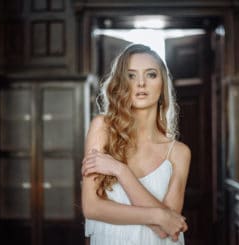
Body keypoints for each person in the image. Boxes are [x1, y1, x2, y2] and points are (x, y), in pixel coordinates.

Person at [81, 43, 191, 245]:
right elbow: (91, 207)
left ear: (163, 84)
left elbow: (168, 227)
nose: (141, 83)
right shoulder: (102, 128)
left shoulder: (179, 153)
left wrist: (120, 170)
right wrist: (158, 216)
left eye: (151, 74)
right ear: (122, 83)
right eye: (131, 76)